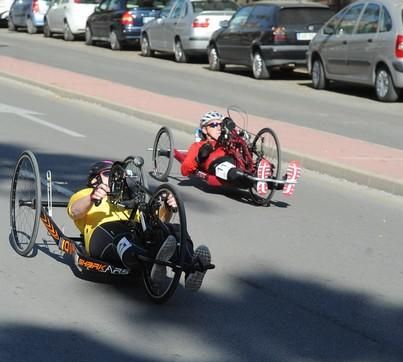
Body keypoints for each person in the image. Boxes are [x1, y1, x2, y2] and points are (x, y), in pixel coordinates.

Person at [68, 160, 211, 291]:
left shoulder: (129, 197)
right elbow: (75, 212)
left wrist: (167, 207)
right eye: (108, 173)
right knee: (121, 236)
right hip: (102, 233)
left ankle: (192, 267)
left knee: (174, 230)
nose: (116, 177)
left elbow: (158, 222)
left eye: (119, 174)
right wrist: (92, 197)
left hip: (134, 230)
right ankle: (153, 265)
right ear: (94, 180)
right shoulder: (85, 193)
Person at [181, 111, 270, 190]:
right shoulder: (198, 145)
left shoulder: (227, 140)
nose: (219, 128)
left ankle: (279, 183)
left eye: (220, 124)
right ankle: (255, 181)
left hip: (236, 163)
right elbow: (185, 170)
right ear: (204, 130)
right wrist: (199, 158)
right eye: (213, 125)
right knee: (226, 168)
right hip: (217, 165)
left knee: (252, 167)